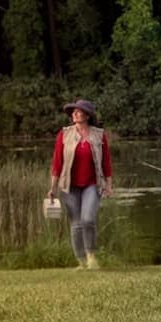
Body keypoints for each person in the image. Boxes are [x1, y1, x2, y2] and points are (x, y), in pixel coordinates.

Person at [47, 99, 113, 270]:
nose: (74, 114)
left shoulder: (99, 135)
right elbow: (57, 163)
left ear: (87, 115)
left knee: (88, 219)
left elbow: (106, 162)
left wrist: (108, 185)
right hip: (69, 186)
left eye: (78, 111)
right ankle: (81, 261)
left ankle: (91, 257)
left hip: (92, 184)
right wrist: (53, 187)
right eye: (73, 112)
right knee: (76, 224)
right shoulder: (64, 134)